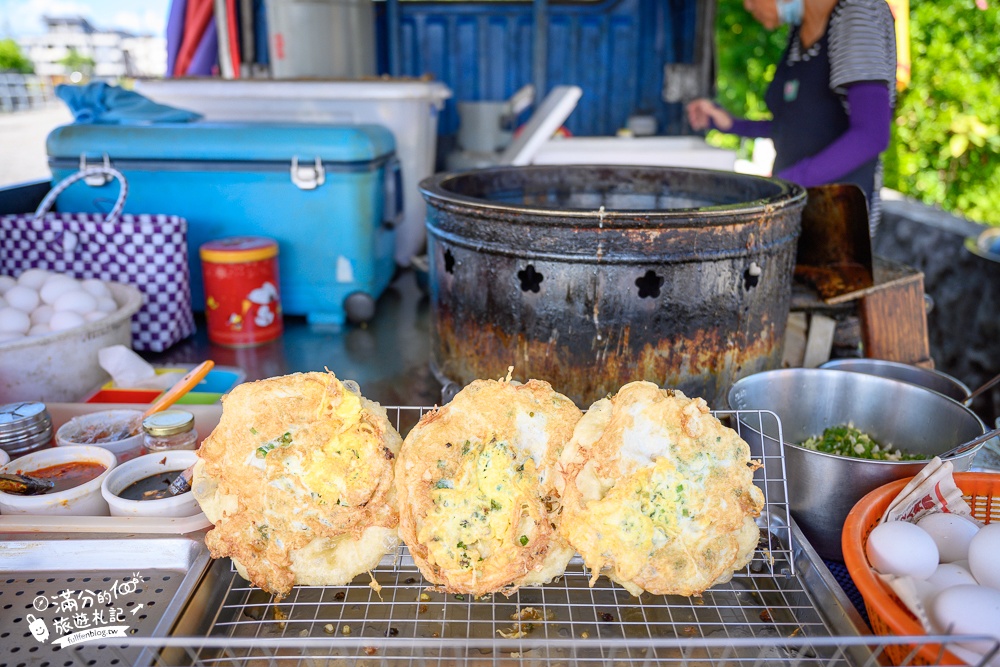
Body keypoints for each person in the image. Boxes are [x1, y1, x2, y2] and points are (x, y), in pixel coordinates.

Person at [687, 0, 896, 233]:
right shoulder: (799, 31)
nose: (747, 6)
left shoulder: (857, 11)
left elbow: (871, 135)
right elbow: (795, 126)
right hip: (795, 215)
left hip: (836, 222)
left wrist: (786, 184)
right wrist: (730, 124)